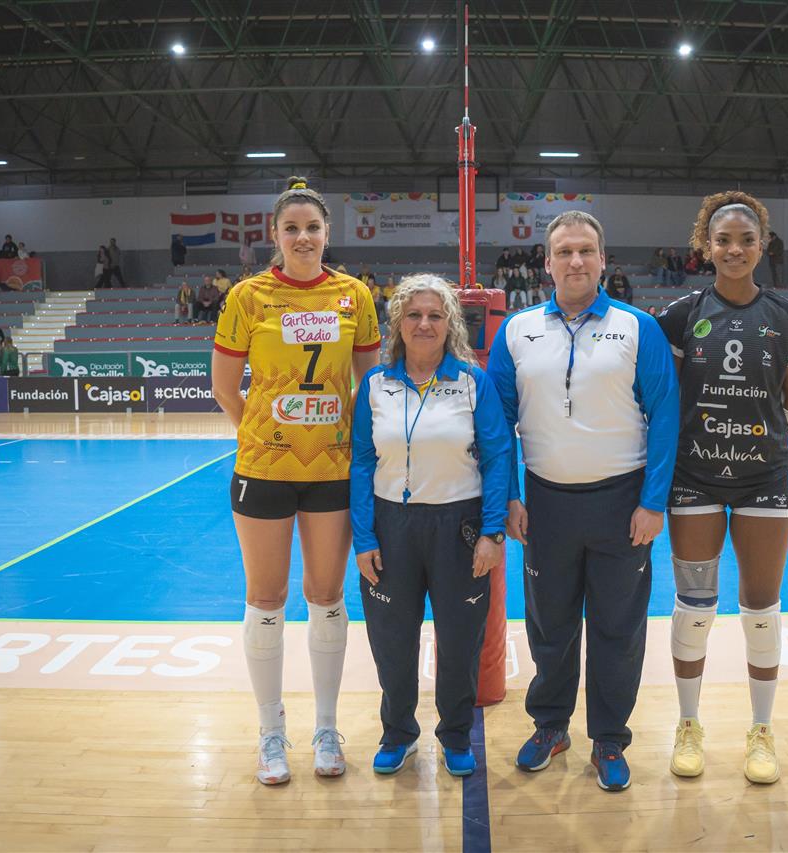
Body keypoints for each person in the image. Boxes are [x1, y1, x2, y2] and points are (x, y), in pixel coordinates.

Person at [487, 210, 679, 793]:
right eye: (564, 251)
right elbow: (497, 425)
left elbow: (665, 415)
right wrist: (510, 496)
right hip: (545, 504)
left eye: (586, 251)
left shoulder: (638, 327)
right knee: (550, 625)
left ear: (602, 260)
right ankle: (551, 726)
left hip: (623, 504)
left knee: (618, 628)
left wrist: (653, 502)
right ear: (546, 263)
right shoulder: (516, 330)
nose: (576, 261)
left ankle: (610, 738)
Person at [211, 176, 381, 786]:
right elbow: (224, 388)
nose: (302, 237)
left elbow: (369, 386)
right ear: (275, 235)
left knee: (327, 595)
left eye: (312, 228)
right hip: (263, 470)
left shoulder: (354, 295)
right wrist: (262, 433)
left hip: (332, 470)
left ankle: (326, 729)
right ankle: (270, 732)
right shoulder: (247, 297)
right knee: (265, 598)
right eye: (292, 228)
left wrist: (336, 438)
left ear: (327, 233)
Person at [656, 190, 788, 786]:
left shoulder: (787, 316)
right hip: (694, 480)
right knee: (695, 607)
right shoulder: (679, 315)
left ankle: (761, 731)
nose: (735, 249)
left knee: (761, 609)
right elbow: (666, 403)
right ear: (705, 246)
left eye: (747, 240)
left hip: (763, 480)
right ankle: (688, 725)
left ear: (762, 245)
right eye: (723, 240)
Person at [350, 274, 511, 778]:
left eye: (435, 315)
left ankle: (456, 734)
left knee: (460, 641)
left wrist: (493, 532)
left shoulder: (472, 383)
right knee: (391, 639)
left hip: (459, 527)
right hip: (391, 527)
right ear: (398, 323)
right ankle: (398, 733)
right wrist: (363, 537)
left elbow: (498, 456)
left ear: (450, 324)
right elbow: (361, 462)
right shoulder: (375, 385)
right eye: (414, 315)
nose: (424, 324)